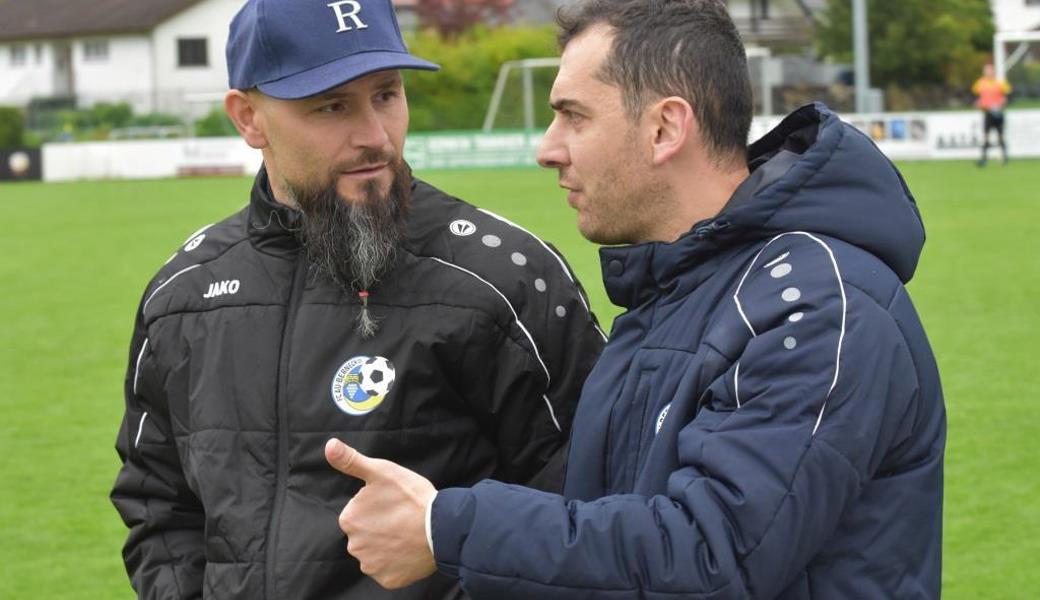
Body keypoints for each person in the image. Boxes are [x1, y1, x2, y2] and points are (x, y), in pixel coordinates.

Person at [325, 0, 946, 598]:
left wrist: (448, 527)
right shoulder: (675, 290)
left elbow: (711, 555)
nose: (548, 148)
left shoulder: (813, 305)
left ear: (665, 128)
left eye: (574, 116)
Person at [109, 0, 606, 598]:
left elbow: (590, 506)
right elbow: (158, 503)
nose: (375, 137)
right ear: (249, 118)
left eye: (387, 94)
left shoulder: (505, 281)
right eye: (332, 105)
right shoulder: (183, 297)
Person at [972, 63, 1012, 166]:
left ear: (993, 71)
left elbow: (1009, 95)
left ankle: (1005, 158)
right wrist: (977, 102)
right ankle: (984, 159)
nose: (988, 72)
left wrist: (1004, 101)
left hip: (998, 113)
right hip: (987, 113)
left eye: (990, 70)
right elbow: (973, 96)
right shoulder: (980, 83)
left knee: (1000, 136)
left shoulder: (1000, 83)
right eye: (986, 70)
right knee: (986, 136)